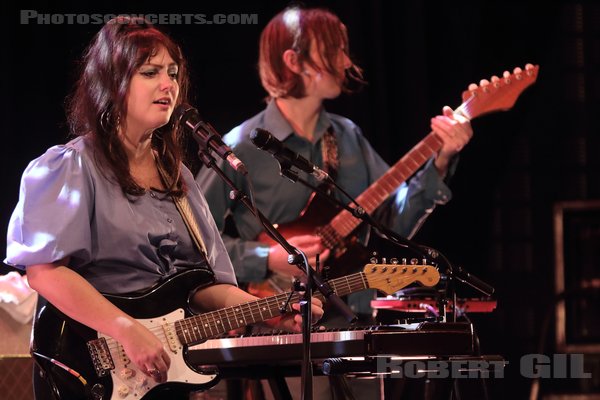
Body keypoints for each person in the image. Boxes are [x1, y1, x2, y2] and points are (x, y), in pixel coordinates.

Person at [4, 16, 322, 400]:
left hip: (162, 374)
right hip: (92, 368)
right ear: (112, 83)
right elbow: (45, 272)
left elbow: (203, 287)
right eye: (150, 72)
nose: (168, 85)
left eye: (173, 73)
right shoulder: (69, 167)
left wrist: (268, 309)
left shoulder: (179, 177)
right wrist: (124, 329)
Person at [196, 6, 473, 399]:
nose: (346, 61)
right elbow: (195, 241)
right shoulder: (242, 145)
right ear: (294, 61)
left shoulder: (348, 137)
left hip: (354, 322)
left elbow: (392, 225)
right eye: (335, 50)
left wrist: (441, 159)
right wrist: (265, 257)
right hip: (277, 328)